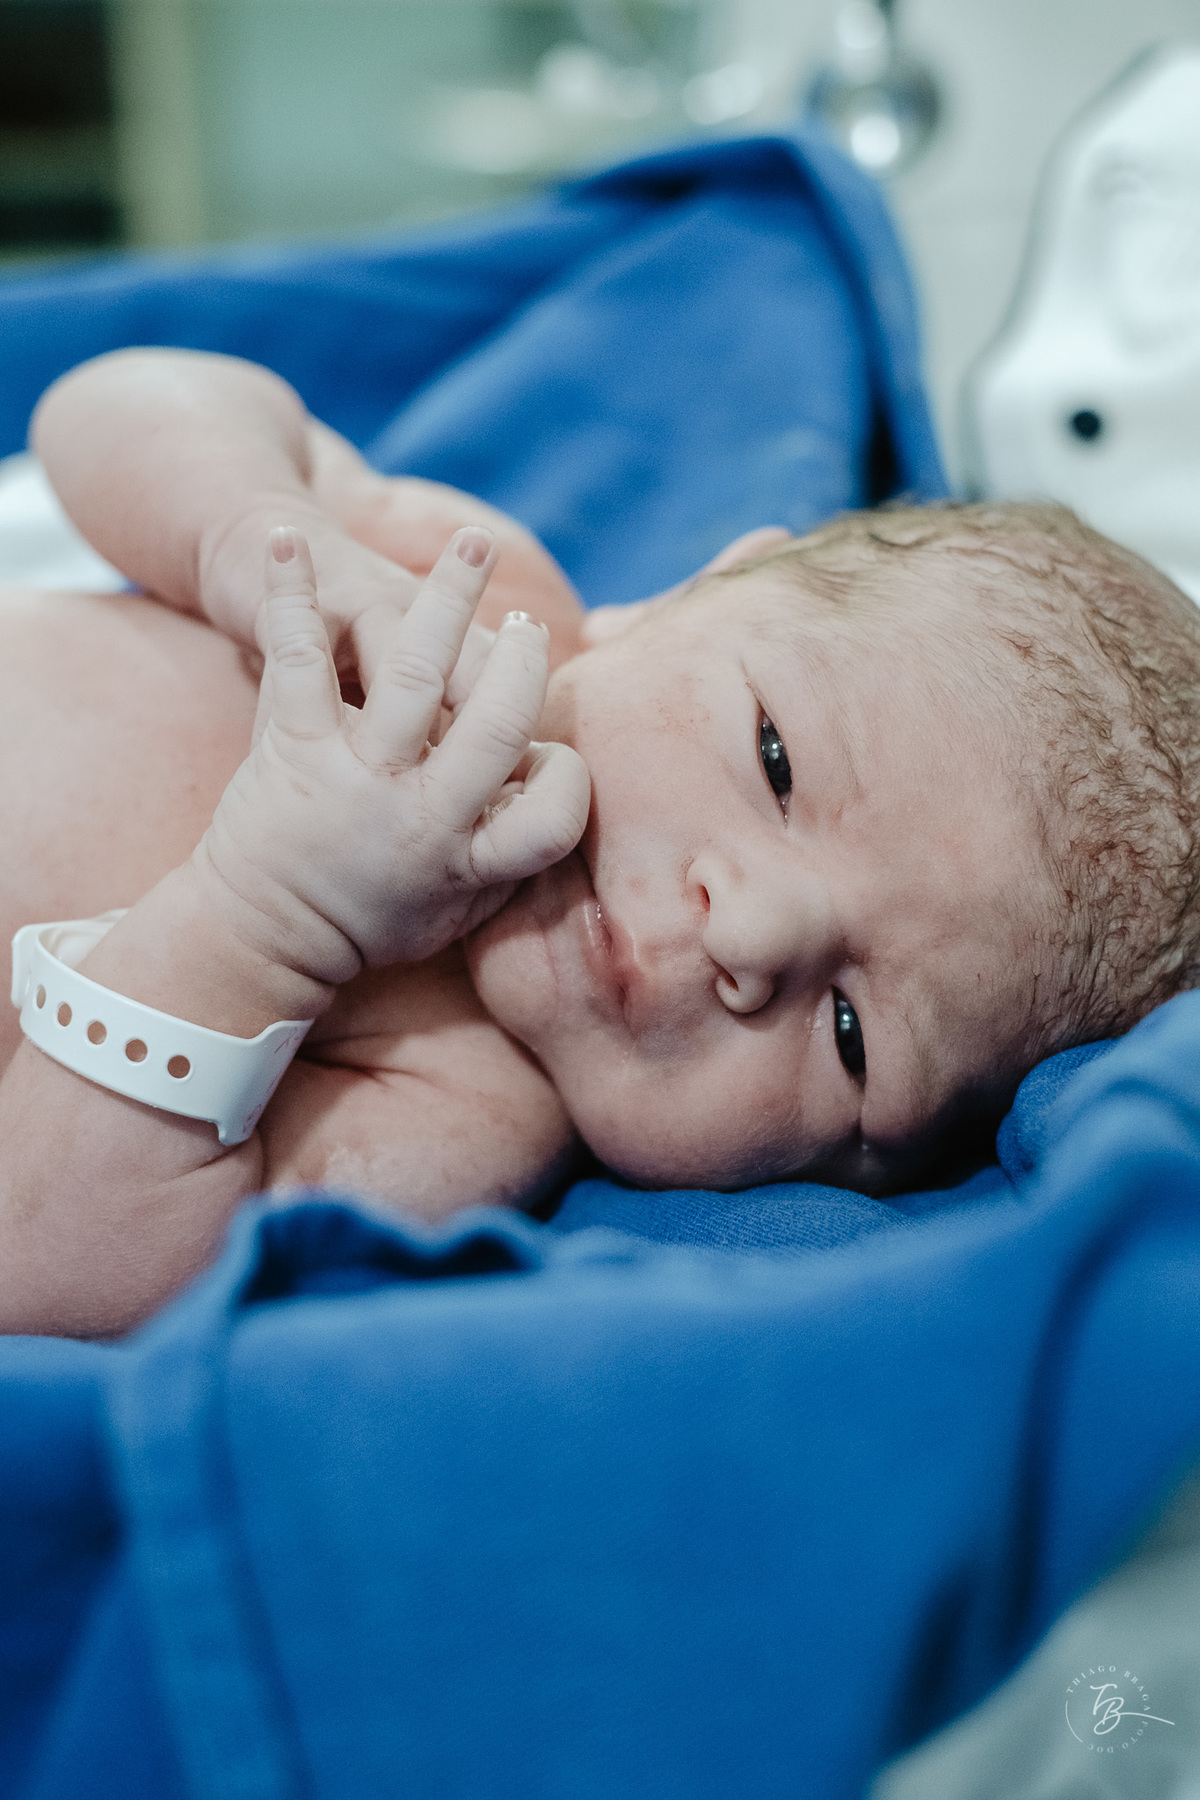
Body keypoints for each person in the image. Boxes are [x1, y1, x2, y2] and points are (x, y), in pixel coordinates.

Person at [1, 347, 1198, 1339]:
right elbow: (108, 406)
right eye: (777, 760)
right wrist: (249, 533)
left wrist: (258, 922)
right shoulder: (467, 591)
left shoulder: (461, 1111)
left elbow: (50, 1273)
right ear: (698, 590)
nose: (755, 930)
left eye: (852, 1038)